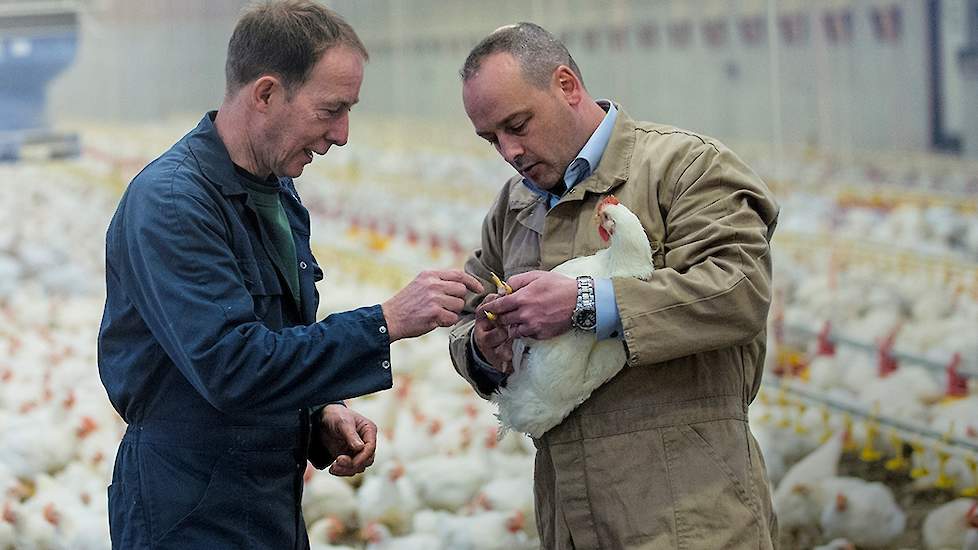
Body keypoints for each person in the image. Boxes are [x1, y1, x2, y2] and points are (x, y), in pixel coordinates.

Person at [97, 2, 481, 548]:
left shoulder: (275, 190)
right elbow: (230, 365)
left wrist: (319, 412)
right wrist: (385, 321)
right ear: (266, 94)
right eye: (331, 109)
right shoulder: (175, 203)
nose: (343, 133)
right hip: (189, 512)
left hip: (266, 498)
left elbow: (274, 342)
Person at [448, 23, 781, 549]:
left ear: (566, 85)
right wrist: (485, 349)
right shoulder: (515, 207)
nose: (509, 151)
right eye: (492, 139)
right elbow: (469, 314)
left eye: (518, 124)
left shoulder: (683, 168)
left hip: (688, 514)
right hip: (571, 518)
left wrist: (585, 304)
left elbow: (737, 292)